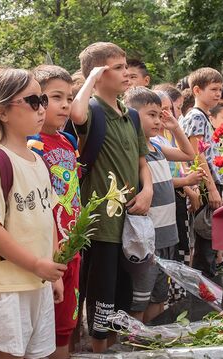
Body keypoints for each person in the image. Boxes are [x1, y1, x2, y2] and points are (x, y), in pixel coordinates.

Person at [0, 68, 67, 358]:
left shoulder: (37, 160)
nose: (42, 109)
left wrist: (52, 271)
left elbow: (47, 219)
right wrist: (36, 264)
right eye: (33, 101)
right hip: (6, 287)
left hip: (37, 282)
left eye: (43, 101)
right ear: (1, 111)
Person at [69, 42, 152, 353]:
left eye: (125, 65)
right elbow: (76, 113)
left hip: (131, 221)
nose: (126, 72)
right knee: (100, 294)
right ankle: (97, 348)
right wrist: (90, 78)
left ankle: (113, 346)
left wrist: (148, 190)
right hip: (101, 223)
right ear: (99, 74)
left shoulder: (130, 116)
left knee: (122, 294)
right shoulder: (92, 109)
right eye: (117, 68)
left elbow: (143, 162)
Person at [123, 86, 196, 322]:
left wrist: (175, 128)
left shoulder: (156, 145)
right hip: (147, 238)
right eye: (151, 115)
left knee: (159, 296)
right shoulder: (133, 150)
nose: (157, 120)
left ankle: (153, 339)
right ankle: (136, 342)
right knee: (139, 299)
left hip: (166, 235)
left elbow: (188, 154)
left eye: (159, 115)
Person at [31, 65, 80, 359]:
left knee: (66, 325)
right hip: (46, 251)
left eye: (69, 98)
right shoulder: (32, 144)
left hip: (71, 244)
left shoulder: (68, 141)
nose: (64, 105)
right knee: (43, 329)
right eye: (55, 97)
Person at [180, 67, 223, 277]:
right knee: (205, 249)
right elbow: (197, 155)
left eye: (220, 89)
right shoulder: (196, 117)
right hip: (207, 186)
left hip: (212, 184)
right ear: (197, 90)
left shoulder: (205, 116)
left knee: (212, 245)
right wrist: (211, 188)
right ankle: (203, 301)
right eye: (213, 89)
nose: (218, 93)